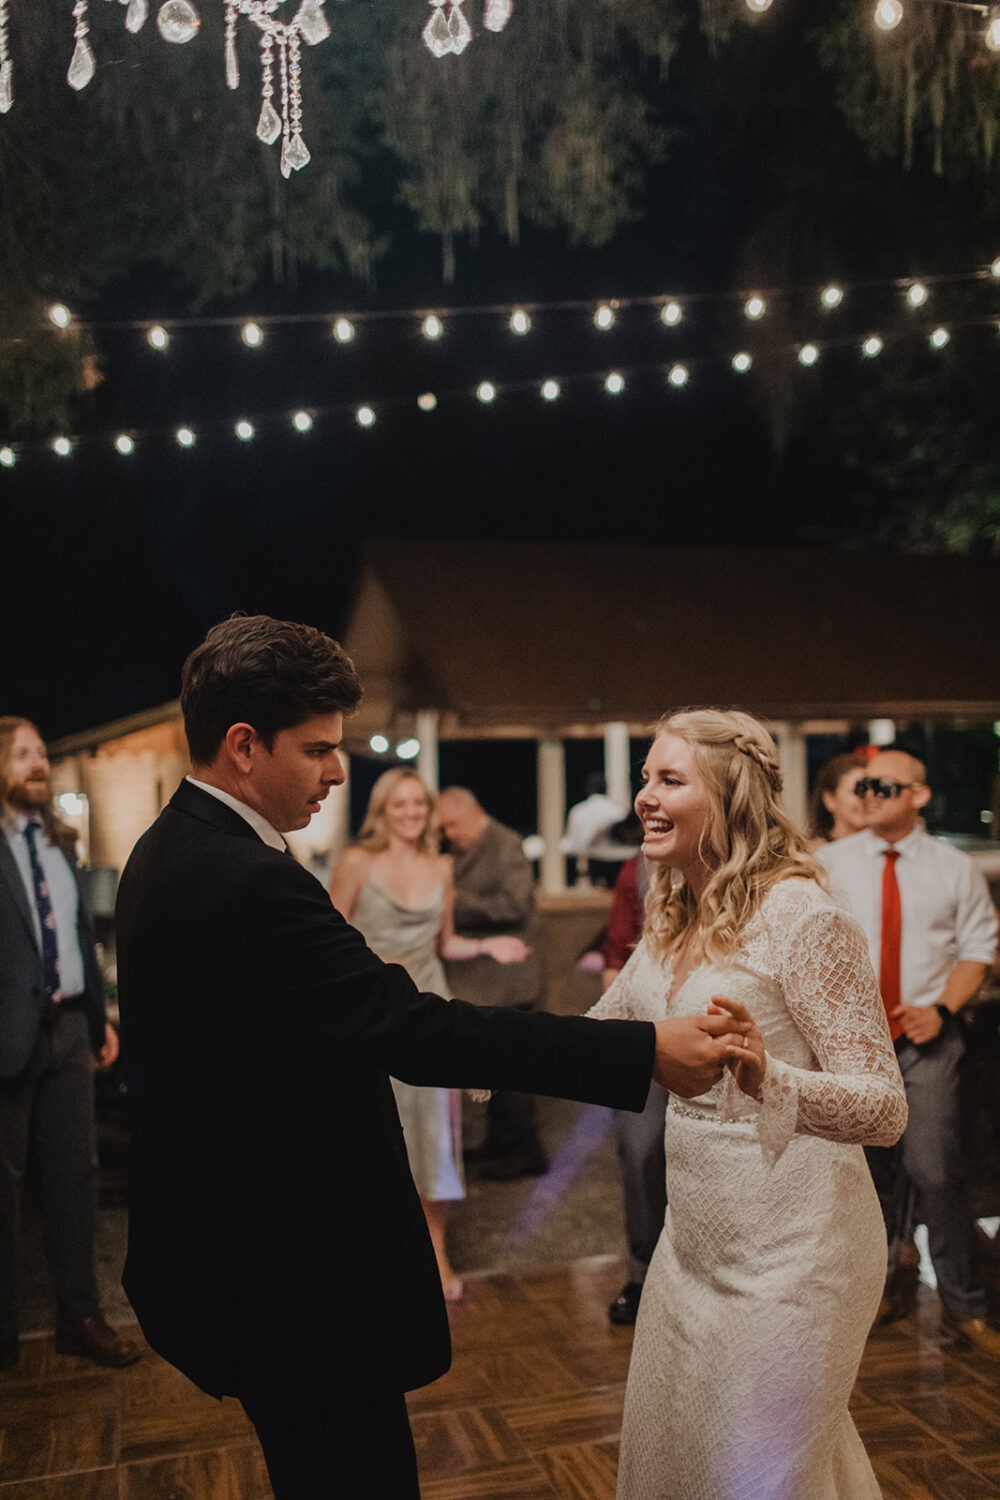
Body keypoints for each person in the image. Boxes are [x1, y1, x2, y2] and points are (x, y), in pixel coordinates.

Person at [114, 615, 752, 1500]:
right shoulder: (244, 877)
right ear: (243, 745)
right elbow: (416, 1031)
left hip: (237, 1252)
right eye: (319, 748)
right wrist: (641, 1052)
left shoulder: (169, 849)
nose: (341, 770)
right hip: (293, 1278)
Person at [589, 708, 908, 1499]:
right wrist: (468, 1059)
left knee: (762, 1473)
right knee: (687, 1452)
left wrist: (773, 1081)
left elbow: (884, 1107)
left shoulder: (803, 918)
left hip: (798, 1254)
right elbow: (598, 1033)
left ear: (731, 797)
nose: (644, 798)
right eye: (644, 779)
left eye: (669, 780)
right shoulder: (674, 912)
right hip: (693, 1246)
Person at [819, 747, 1000, 1357]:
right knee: (866, 1178)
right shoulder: (827, 864)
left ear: (919, 795)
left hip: (929, 1040)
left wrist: (942, 1009)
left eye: (882, 786)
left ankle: (963, 1306)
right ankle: (875, 1291)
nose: (867, 794)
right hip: (850, 1044)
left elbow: (979, 948)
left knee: (936, 1169)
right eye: (862, 786)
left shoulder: (953, 868)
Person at [329, 769, 527, 1300]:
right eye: (401, 804)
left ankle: (435, 1250)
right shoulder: (356, 863)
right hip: (373, 1014)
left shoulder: (442, 867)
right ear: (382, 810)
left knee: (436, 1135)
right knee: (376, 1130)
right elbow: (327, 938)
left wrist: (489, 947)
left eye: (420, 803)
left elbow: (446, 943)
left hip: (429, 1010)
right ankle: (374, 1253)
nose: (412, 813)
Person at [0, 717, 139, 1371]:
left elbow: (81, 933)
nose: (37, 764)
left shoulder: (57, 841)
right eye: (22, 754)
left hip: (70, 1032)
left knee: (76, 1177)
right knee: (6, 1186)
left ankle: (79, 1317)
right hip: (8, 1037)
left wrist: (98, 1015)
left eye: (40, 753)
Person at [436, 785, 548, 1180]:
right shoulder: (460, 850)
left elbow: (517, 904)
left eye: (451, 825)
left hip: (508, 979)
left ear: (473, 812)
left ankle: (526, 1151)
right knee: (492, 1072)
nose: (447, 834)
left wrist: (450, 900)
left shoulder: (505, 843)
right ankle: (499, 1143)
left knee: (513, 1077)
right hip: (480, 981)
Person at [600, 849, 668, 1328]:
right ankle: (644, 1274)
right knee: (641, 1151)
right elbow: (616, 954)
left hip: (719, 1030)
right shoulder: (636, 869)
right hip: (649, 1032)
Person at [807, 749, 868, 848]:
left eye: (868, 791)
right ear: (830, 800)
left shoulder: (885, 851)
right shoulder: (815, 853)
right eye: (856, 791)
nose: (865, 799)